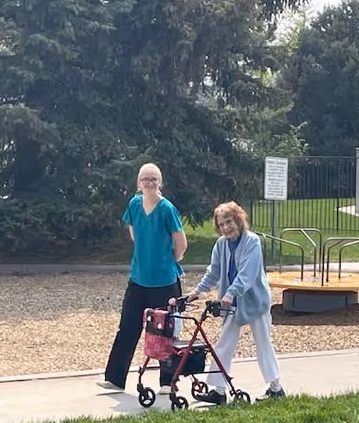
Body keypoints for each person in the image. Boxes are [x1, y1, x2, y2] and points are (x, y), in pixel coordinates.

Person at [99, 163, 188, 391]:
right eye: (145, 179)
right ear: (138, 183)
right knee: (127, 328)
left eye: (153, 179)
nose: (149, 183)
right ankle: (115, 378)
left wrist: (168, 260)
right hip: (138, 279)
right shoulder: (134, 204)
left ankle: (168, 381)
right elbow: (134, 232)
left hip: (164, 283)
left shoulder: (167, 209)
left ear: (160, 183)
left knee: (164, 333)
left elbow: (181, 244)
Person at [188, 201, 285, 404]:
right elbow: (213, 272)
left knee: (263, 343)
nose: (225, 227)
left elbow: (247, 275)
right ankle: (219, 390)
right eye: (221, 224)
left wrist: (230, 293)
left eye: (229, 221)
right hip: (230, 303)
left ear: (238, 220)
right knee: (224, 344)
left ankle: (276, 388)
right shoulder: (221, 244)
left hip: (254, 301)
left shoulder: (252, 242)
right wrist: (198, 291)